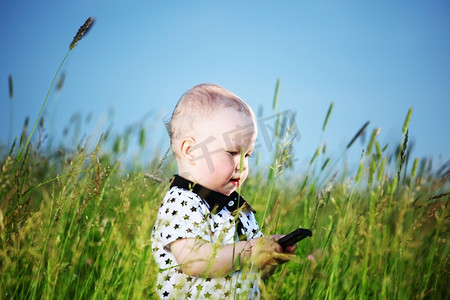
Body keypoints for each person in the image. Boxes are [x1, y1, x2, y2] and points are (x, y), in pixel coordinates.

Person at [151, 83, 296, 299]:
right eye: (232, 152)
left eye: (247, 155)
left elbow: (253, 271)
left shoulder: (238, 209)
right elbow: (194, 260)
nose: (243, 165)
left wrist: (267, 254)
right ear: (190, 151)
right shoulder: (181, 201)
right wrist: (248, 251)